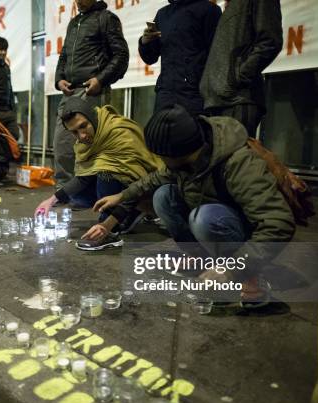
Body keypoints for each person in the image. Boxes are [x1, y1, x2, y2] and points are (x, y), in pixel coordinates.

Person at [91, 105, 295, 301]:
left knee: (203, 218)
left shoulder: (239, 163)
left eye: (161, 155)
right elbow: (155, 178)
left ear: (178, 153)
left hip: (241, 232)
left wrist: (232, 268)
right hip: (212, 214)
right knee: (163, 196)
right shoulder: (187, 157)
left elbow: (278, 223)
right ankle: (203, 260)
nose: (159, 159)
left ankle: (250, 276)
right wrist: (122, 196)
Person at [35, 97, 164, 251]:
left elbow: (138, 182)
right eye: (74, 132)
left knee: (105, 172)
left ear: (93, 118)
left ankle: (112, 230)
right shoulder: (87, 141)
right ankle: (124, 214)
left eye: (83, 126)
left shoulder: (119, 133)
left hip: (143, 191)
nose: (81, 136)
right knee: (77, 194)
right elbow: (83, 178)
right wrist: (51, 200)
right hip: (121, 191)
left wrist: (106, 225)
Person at [53, 0, 129, 188]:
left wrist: (100, 80)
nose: (78, 1)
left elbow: (121, 56)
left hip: (91, 92)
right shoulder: (74, 23)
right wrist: (59, 79)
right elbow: (64, 56)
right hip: (70, 92)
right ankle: (66, 190)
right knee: (62, 143)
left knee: (92, 145)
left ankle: (93, 191)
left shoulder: (106, 19)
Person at [200, 0, 283, 136]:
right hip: (218, 100)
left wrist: (238, 77)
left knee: (236, 156)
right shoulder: (231, 5)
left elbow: (270, 41)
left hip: (237, 100)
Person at [139, 0, 221, 115]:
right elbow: (150, 58)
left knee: (194, 132)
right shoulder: (162, 14)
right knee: (160, 132)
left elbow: (217, 56)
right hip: (165, 94)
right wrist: (145, 41)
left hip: (195, 96)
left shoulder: (209, 10)